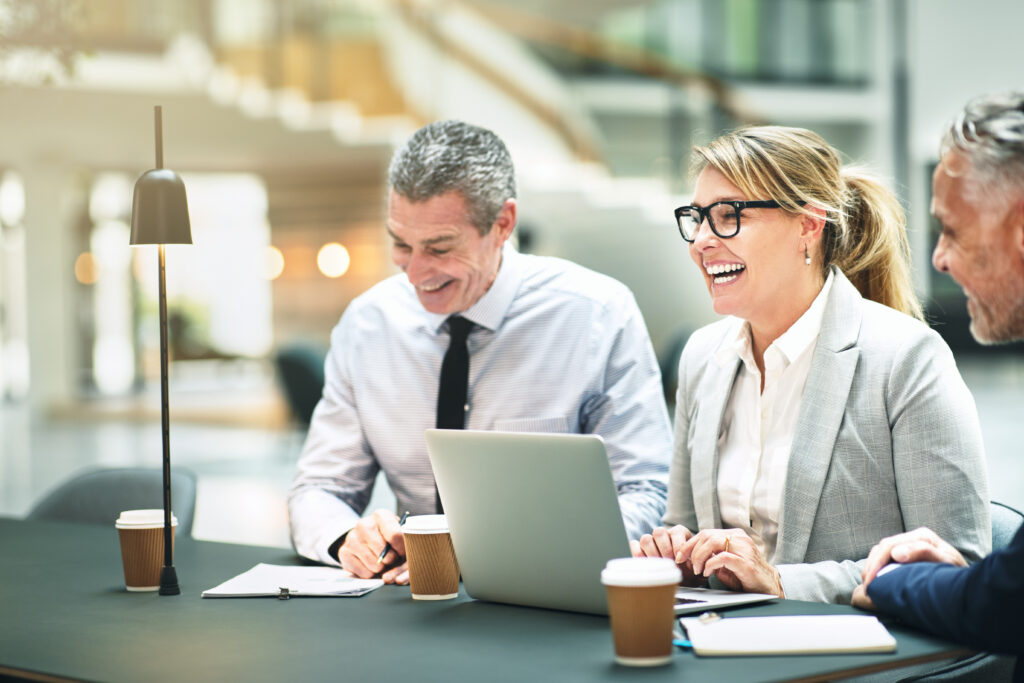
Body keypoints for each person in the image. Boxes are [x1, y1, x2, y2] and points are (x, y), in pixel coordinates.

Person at [288, 120, 671, 583]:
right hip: (412, 600)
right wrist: (347, 537)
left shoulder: (597, 314)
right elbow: (319, 490)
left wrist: (536, 553)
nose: (415, 273)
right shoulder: (368, 324)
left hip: (548, 597)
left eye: (440, 247)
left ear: (503, 223)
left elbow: (648, 491)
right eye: (400, 244)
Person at [632, 125, 990, 604]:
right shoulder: (701, 356)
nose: (700, 241)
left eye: (728, 215)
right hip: (719, 642)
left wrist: (782, 584)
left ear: (808, 224)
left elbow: (958, 560)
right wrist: (675, 553)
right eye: (696, 218)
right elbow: (681, 524)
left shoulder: (905, 358)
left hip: (856, 658)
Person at [853, 92, 1024, 671]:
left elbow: (1009, 603)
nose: (940, 260)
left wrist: (893, 583)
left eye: (951, 230)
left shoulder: (906, 359)